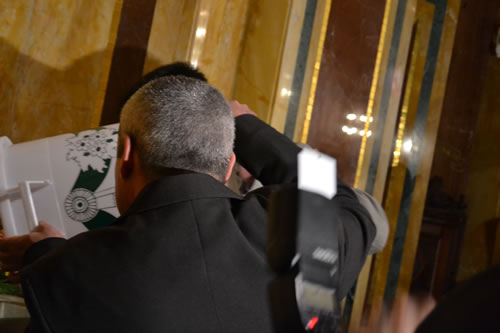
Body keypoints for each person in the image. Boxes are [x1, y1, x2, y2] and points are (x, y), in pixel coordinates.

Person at [0, 70, 375, 332]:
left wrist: (46, 255)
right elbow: (346, 202)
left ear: (126, 154)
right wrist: (246, 127)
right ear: (229, 166)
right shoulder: (305, 241)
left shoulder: (67, 273)